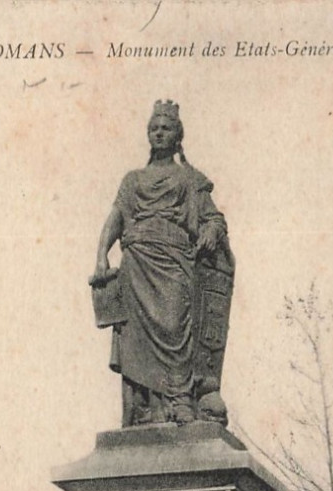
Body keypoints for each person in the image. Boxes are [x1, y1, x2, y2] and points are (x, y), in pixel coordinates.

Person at [90, 100, 229, 426]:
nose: (159, 133)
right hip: (136, 265)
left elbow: (214, 218)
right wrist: (101, 255)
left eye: (165, 128)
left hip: (175, 263)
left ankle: (180, 400)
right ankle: (146, 410)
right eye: (154, 129)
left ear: (177, 134)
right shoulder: (132, 180)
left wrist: (209, 230)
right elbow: (116, 219)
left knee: (176, 329)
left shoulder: (189, 180)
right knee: (136, 340)